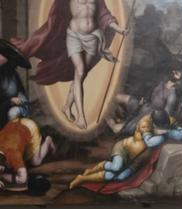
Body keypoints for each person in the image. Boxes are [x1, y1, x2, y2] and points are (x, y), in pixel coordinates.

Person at [13, 0, 128, 129]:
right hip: (75, 36)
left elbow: (105, 16)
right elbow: (58, 15)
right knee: (79, 71)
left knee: (81, 76)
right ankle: (81, 116)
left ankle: (67, 107)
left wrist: (120, 29)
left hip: (93, 37)